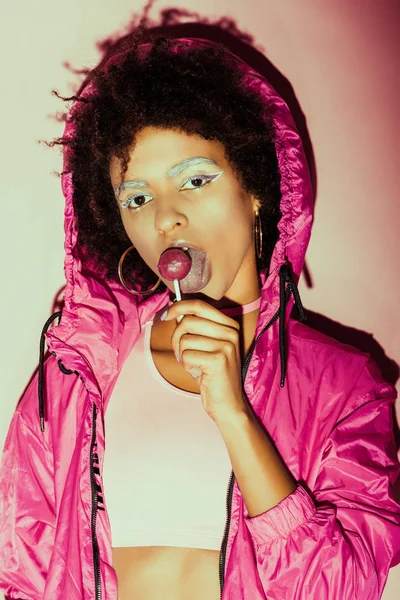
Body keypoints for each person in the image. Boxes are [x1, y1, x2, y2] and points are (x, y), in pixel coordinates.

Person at [0, 15, 399, 600]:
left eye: (194, 181)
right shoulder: (77, 369)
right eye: (138, 196)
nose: (165, 218)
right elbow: (22, 571)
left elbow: (338, 586)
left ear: (256, 187)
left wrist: (234, 414)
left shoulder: (345, 385)